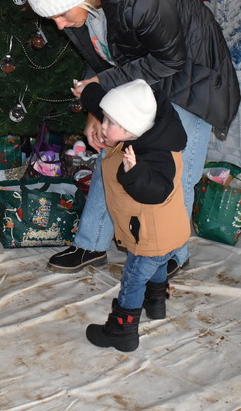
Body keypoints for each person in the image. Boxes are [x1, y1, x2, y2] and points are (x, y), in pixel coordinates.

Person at [8, 0, 240, 275]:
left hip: (191, 74)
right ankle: (91, 242)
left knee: (177, 169)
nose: (58, 26)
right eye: (51, 18)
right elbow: (100, 55)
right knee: (111, 152)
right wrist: (96, 112)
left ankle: (172, 252)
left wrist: (101, 85)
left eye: (60, 15)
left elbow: (169, 61)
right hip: (140, 72)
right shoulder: (73, 4)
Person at [78, 78, 189, 351]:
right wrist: (87, 92)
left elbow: (157, 191)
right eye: (104, 119)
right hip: (167, 233)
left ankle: (123, 331)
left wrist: (135, 173)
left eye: (108, 123)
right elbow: (110, 107)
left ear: (130, 129)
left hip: (150, 235)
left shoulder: (154, 156)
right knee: (159, 263)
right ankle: (156, 302)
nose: (102, 126)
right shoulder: (145, 127)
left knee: (133, 278)